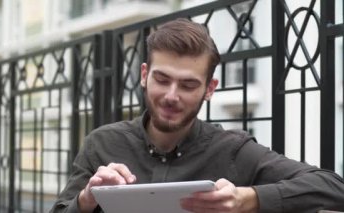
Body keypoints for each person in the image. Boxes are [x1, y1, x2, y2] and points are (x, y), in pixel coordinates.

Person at [50, 18, 344, 213]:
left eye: (188, 84)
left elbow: (334, 187)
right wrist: (86, 199)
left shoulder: (233, 150)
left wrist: (247, 199)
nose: (171, 96)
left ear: (209, 88)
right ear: (144, 75)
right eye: (162, 79)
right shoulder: (101, 142)